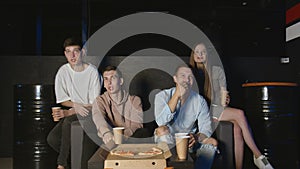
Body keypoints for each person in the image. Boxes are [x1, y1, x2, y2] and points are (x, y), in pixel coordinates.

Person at [189, 43, 274, 169]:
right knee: (239, 114)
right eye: (197, 52)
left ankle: (239, 167)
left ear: (208, 55)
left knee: (237, 129)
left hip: (216, 107)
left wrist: (225, 99)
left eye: (203, 52)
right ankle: (259, 156)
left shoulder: (217, 70)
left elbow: (223, 95)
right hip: (203, 111)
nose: (200, 55)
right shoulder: (191, 72)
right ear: (193, 54)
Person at [47, 37, 103, 169]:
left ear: (83, 52)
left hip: (90, 112)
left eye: (75, 51)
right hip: (76, 110)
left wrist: (72, 110)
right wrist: (75, 106)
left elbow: (94, 103)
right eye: (68, 51)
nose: (72, 55)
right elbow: (62, 100)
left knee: (68, 122)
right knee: (52, 139)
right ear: (65, 53)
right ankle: (76, 160)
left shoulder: (92, 72)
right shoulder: (63, 71)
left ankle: (62, 164)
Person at [154, 65, 218, 169]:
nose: (186, 80)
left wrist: (196, 137)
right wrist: (176, 96)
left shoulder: (199, 100)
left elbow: (206, 129)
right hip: (169, 140)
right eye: (182, 76)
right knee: (162, 130)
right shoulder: (162, 96)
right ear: (175, 78)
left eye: (190, 77)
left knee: (213, 142)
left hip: (189, 141)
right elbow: (160, 122)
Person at [92, 65, 151, 148]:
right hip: (108, 139)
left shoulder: (134, 100)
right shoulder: (99, 101)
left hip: (129, 139)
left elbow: (137, 126)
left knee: (143, 132)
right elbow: (99, 119)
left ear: (121, 81)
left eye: (113, 78)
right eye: (106, 79)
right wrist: (106, 133)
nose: (109, 82)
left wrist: (119, 137)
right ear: (104, 84)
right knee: (91, 134)